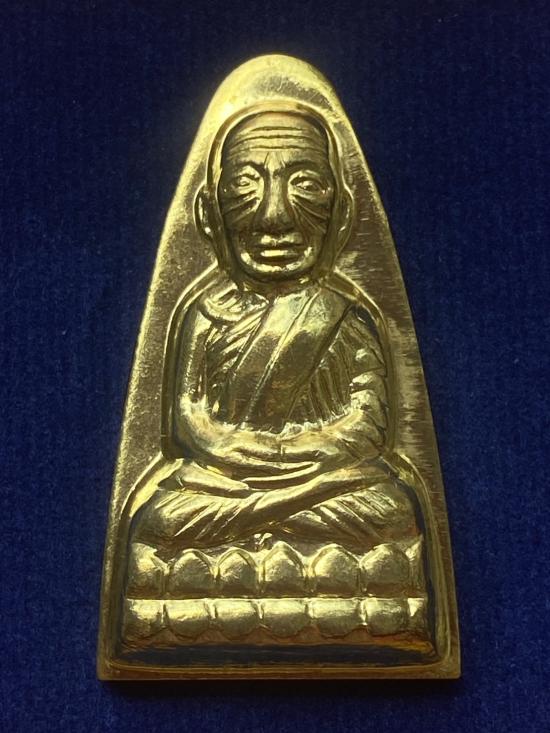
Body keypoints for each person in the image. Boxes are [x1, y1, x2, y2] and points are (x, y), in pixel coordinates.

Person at [127, 109, 420, 567]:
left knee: (393, 511)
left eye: (305, 184)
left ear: (342, 214)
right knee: (160, 518)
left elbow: (369, 423)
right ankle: (280, 531)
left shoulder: (346, 314)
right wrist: (234, 451)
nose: (274, 216)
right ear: (208, 213)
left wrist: (296, 454)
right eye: (244, 186)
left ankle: (260, 533)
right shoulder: (204, 312)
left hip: (326, 482)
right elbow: (187, 418)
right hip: (223, 483)